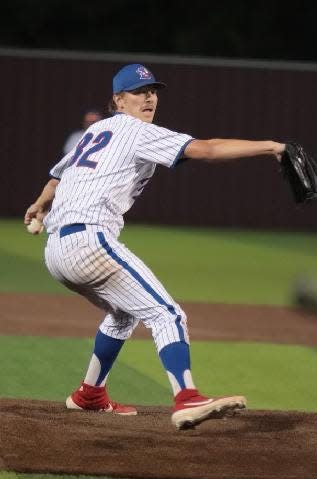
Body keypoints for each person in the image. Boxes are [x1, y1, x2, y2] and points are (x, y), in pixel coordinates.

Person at [24, 63, 285, 429]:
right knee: (168, 314)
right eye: (138, 92)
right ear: (118, 100)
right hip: (89, 243)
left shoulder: (96, 130)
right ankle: (187, 397)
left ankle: (90, 394)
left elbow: (57, 174)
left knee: (122, 314)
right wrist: (273, 146)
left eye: (152, 91)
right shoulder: (135, 131)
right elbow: (207, 150)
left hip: (56, 251)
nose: (149, 98)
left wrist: (38, 204)